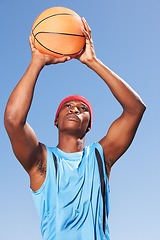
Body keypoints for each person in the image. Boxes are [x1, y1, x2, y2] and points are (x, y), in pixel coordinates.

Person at [4, 18, 146, 240]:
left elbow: (135, 109)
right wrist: (38, 61)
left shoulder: (100, 157)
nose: (74, 109)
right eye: (67, 106)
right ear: (56, 120)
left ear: (89, 125)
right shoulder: (41, 162)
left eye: (82, 108)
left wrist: (92, 61)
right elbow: (13, 119)